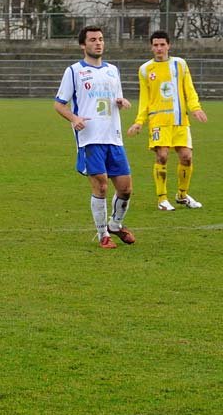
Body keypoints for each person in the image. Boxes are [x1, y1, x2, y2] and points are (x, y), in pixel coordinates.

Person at [54, 26, 136, 249]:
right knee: (101, 186)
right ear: (83, 45)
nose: (98, 43)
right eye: (92, 40)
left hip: (114, 138)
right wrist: (73, 118)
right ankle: (103, 236)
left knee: (126, 188)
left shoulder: (112, 70)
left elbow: (116, 97)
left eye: (100, 39)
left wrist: (122, 101)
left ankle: (116, 225)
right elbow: (59, 104)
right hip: (90, 138)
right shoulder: (74, 71)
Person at [126, 30, 208, 211]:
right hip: (158, 120)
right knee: (162, 156)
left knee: (186, 157)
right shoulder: (145, 69)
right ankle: (162, 199)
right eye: (155, 45)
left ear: (169, 45)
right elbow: (145, 98)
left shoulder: (180, 64)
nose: (159, 48)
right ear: (151, 47)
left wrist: (195, 108)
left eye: (162, 44)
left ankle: (182, 195)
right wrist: (140, 121)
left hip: (179, 119)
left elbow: (189, 89)